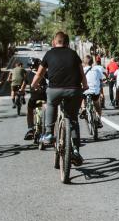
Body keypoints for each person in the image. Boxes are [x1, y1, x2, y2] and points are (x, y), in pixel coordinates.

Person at [31, 32, 88, 164]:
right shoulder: (74, 54)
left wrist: (33, 85)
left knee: (50, 104)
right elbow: (81, 72)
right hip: (73, 90)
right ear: (67, 43)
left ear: (53, 42)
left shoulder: (49, 54)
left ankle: (49, 133)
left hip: (54, 90)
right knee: (73, 120)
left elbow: (40, 73)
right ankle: (75, 151)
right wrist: (85, 85)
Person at [23, 58, 48, 140]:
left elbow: (23, 86)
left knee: (29, 110)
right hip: (44, 96)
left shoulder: (28, 74)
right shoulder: (45, 73)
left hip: (34, 97)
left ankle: (30, 129)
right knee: (49, 110)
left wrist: (21, 91)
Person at [80, 55, 106, 128]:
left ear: (84, 63)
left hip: (85, 91)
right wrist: (101, 92)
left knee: (82, 96)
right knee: (97, 106)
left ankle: (83, 108)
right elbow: (100, 81)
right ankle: (99, 119)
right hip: (95, 92)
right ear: (92, 62)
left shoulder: (82, 70)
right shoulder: (97, 70)